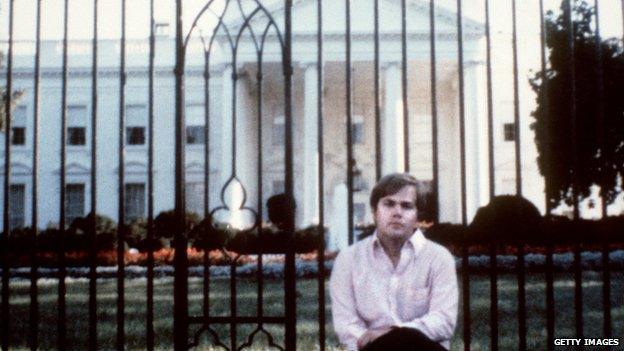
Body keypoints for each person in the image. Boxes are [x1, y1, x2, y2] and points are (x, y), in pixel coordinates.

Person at [330, 173, 458, 351]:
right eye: (389, 204)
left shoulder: (439, 258)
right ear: (375, 212)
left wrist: (394, 333)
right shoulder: (348, 260)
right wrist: (387, 341)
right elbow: (346, 325)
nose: (397, 212)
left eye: (406, 206)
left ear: (417, 218)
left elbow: (443, 321)